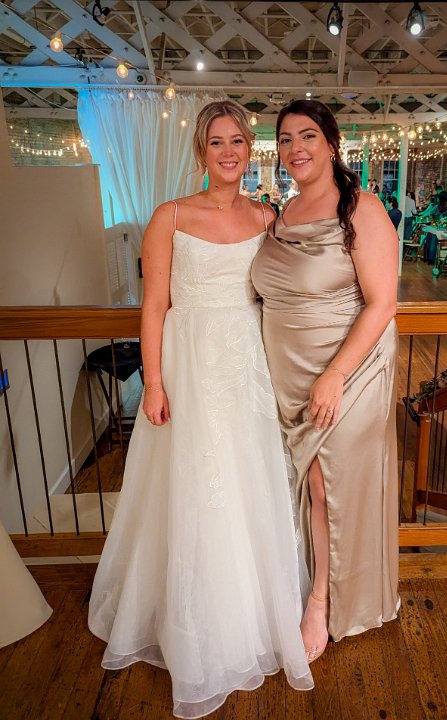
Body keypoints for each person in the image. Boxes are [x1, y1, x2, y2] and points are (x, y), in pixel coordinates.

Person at [88, 99, 313, 719]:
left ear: (249, 149)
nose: (229, 152)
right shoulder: (170, 216)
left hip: (247, 364)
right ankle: (193, 626)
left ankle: (249, 617)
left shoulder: (267, 216)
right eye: (217, 142)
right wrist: (154, 383)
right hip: (188, 364)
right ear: (201, 151)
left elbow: (281, 295)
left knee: (246, 482)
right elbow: (153, 306)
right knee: (194, 486)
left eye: (237, 141)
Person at [252, 99, 400, 664]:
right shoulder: (282, 212)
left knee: (325, 483)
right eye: (286, 139)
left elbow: (382, 303)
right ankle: (321, 583)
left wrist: (335, 374)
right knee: (312, 482)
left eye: (307, 135)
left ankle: (322, 601)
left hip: (348, 368)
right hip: (290, 374)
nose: (296, 148)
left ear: (332, 144)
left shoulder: (361, 207)